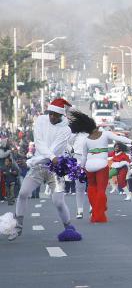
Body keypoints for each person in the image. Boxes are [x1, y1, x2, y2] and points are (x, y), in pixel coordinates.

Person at [8, 98, 82, 241]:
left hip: (55, 169)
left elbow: (53, 153)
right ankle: (18, 227)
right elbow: (40, 144)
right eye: (50, 113)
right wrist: (34, 161)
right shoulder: (41, 120)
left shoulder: (66, 130)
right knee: (23, 193)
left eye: (55, 114)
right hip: (38, 166)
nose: (52, 117)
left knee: (58, 202)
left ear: (61, 115)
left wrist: (29, 161)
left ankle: (69, 228)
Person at [69, 111, 132, 223]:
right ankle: (98, 214)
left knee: (91, 188)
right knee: (101, 190)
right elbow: (119, 138)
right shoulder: (104, 134)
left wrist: (81, 168)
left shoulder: (86, 140)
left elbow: (84, 157)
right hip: (102, 165)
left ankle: (96, 209)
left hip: (89, 166)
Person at [67, 132, 89, 219]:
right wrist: (71, 151)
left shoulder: (92, 131)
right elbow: (67, 141)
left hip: (90, 158)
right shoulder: (75, 133)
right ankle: (80, 210)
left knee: (92, 185)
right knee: (79, 186)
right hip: (78, 159)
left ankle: (92, 208)